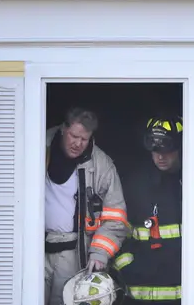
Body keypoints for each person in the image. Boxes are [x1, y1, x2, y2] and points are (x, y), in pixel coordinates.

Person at [112, 116, 194, 302]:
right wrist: (128, 268)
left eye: (167, 150)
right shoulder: (135, 185)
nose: (160, 157)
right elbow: (117, 230)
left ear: (181, 146)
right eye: (155, 151)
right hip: (145, 295)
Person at [45, 107, 129, 305]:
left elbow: (116, 218)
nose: (78, 144)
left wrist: (100, 252)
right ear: (63, 129)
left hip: (73, 254)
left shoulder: (102, 165)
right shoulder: (37, 144)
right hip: (33, 248)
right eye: (74, 136)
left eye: (84, 139)